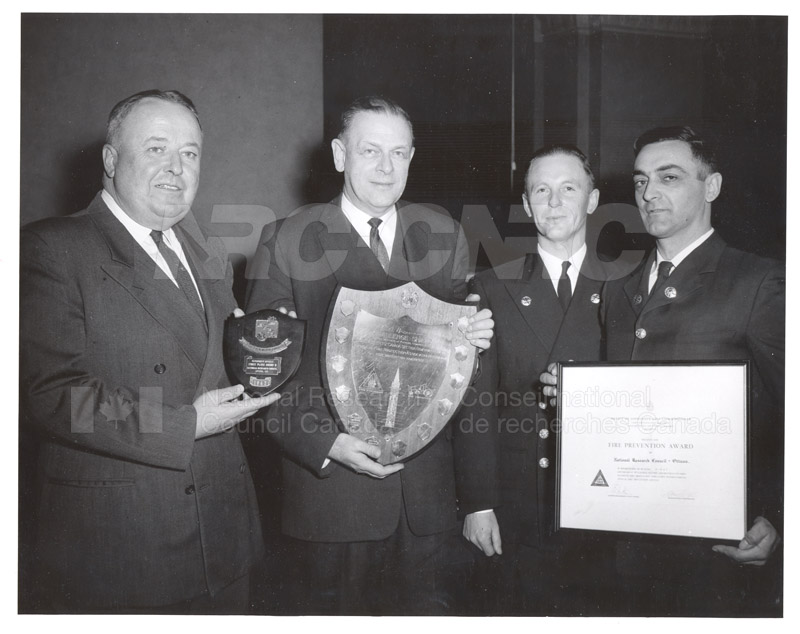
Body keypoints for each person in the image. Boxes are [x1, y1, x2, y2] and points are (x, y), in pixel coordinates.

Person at [20, 90, 279, 613]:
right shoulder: (52, 247)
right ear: (112, 160)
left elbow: (233, 360)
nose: (176, 168)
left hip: (226, 537)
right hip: (122, 545)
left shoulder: (208, 252)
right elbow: (54, 396)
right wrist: (183, 424)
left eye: (189, 153)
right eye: (156, 148)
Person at [245, 96, 496, 614]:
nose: (387, 168)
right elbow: (262, 371)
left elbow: (464, 372)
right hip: (332, 499)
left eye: (400, 153)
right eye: (370, 151)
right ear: (340, 155)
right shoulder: (288, 238)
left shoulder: (444, 234)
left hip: (427, 506)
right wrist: (325, 443)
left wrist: (474, 335)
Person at [542, 126, 784, 616]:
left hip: (717, 554)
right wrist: (577, 394)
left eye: (668, 178)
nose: (648, 194)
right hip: (620, 551)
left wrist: (780, 516)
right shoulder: (618, 288)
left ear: (711, 186)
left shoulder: (759, 281)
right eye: (639, 181)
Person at [460, 145, 623, 614]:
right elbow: (476, 404)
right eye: (541, 191)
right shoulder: (492, 286)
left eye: (568, 188)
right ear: (527, 206)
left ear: (592, 200)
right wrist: (477, 503)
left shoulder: (626, 285)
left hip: (606, 499)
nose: (554, 202)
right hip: (519, 504)